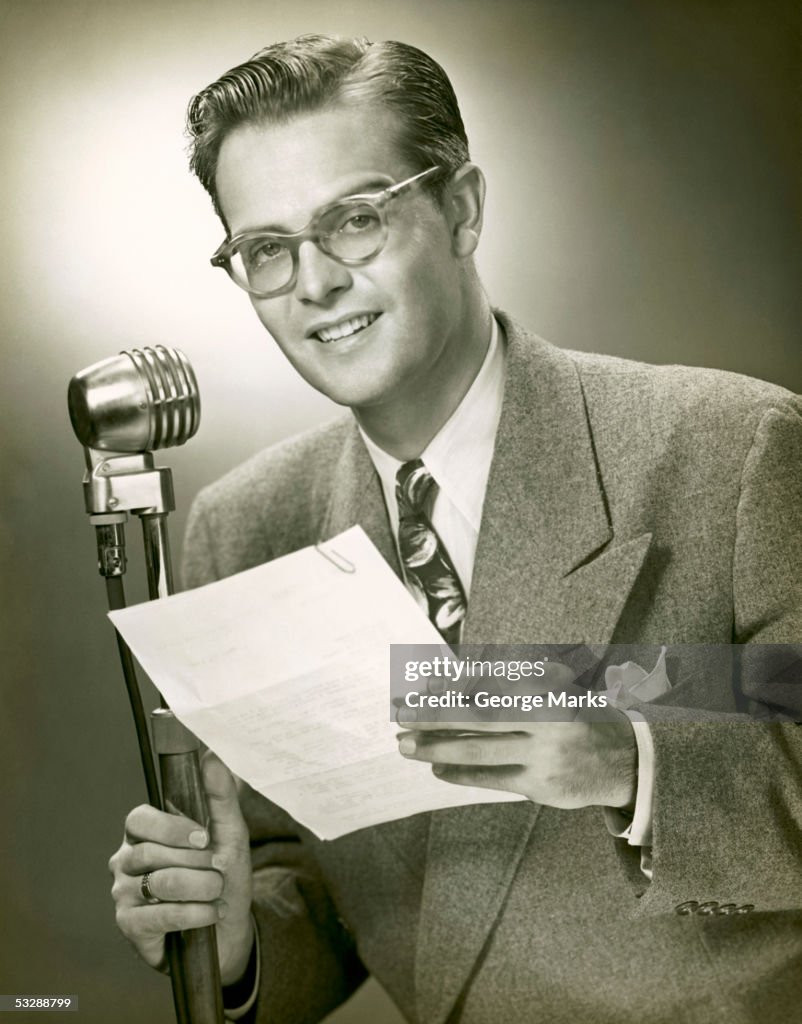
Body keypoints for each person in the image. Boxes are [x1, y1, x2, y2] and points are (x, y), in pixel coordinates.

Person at [108, 35, 802, 1023]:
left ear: (462, 209)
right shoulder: (244, 527)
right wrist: (235, 937)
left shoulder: (734, 449)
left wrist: (635, 762)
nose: (313, 284)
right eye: (266, 249)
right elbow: (313, 880)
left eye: (352, 220)